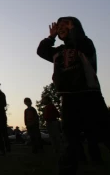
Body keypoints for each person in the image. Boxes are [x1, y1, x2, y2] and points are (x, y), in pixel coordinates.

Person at [37, 17, 110, 174]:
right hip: (68, 98)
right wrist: (51, 37)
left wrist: (75, 31)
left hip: (90, 95)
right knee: (71, 136)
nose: (61, 27)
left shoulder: (85, 44)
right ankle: (71, 166)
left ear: (75, 28)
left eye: (66, 25)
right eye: (60, 25)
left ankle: (95, 157)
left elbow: (82, 44)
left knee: (104, 131)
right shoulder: (58, 52)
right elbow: (41, 51)